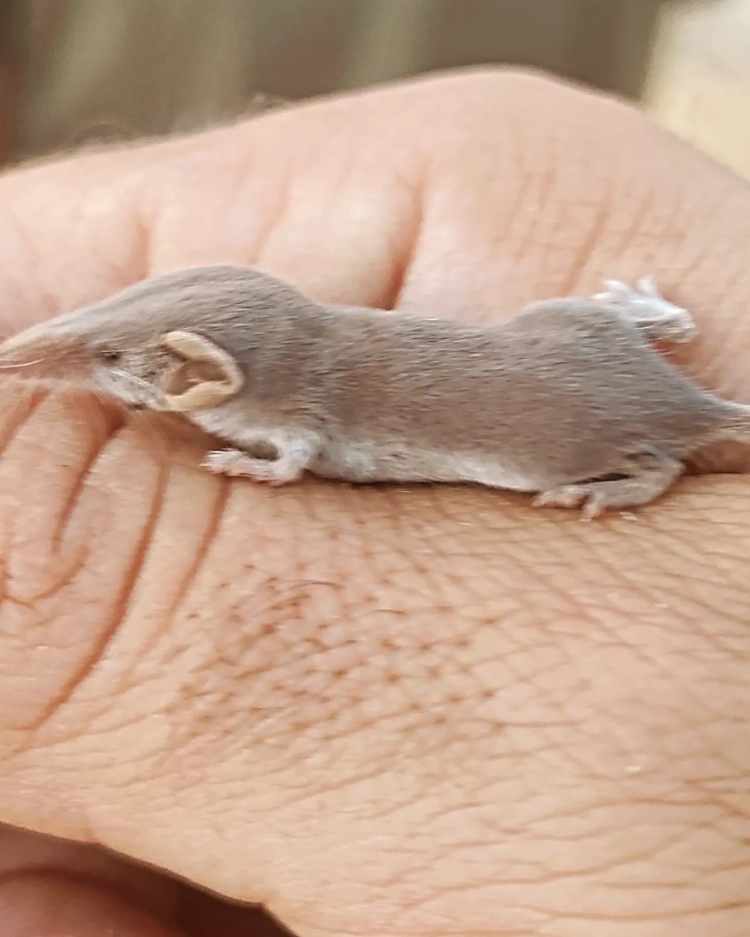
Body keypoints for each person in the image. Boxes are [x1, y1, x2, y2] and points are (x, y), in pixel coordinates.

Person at [0, 69, 747, 937]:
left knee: (545, 444)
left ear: (205, 373)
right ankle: (640, 326)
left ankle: (643, 465)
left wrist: (250, 475)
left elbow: (302, 446)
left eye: (110, 360)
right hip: (577, 351)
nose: (86, 369)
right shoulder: (301, 352)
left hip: (571, 426)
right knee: (566, 328)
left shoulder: (290, 404)